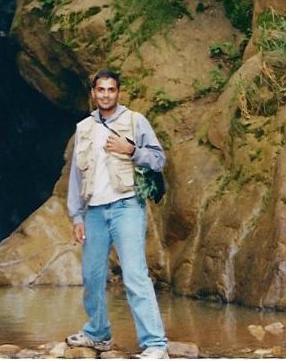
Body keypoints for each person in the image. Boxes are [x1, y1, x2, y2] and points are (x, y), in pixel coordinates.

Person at [66, 70, 169, 359]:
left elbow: (159, 159)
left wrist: (132, 149)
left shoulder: (135, 121)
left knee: (135, 275)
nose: (106, 95)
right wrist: (76, 216)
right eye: (101, 90)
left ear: (118, 92)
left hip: (127, 207)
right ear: (93, 93)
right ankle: (98, 334)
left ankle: (156, 344)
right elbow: (75, 178)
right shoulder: (84, 128)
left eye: (111, 90)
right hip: (95, 212)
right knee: (91, 275)